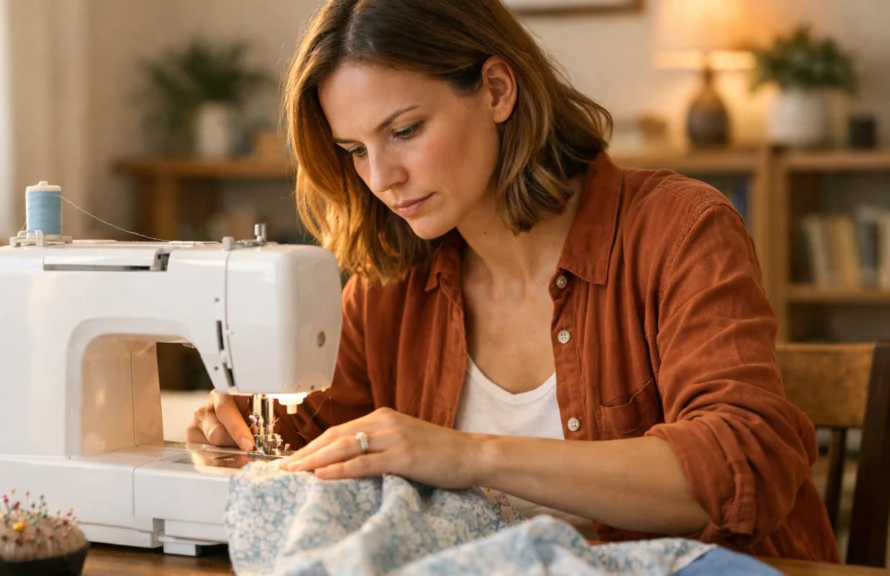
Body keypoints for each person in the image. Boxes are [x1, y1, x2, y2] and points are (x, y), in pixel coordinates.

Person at [187, 0, 839, 562]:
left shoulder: (678, 230)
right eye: (355, 150)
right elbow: (319, 445)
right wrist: (239, 432)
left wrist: (468, 455)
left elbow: (740, 462)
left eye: (405, 131)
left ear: (498, 90)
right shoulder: (388, 285)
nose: (381, 177)